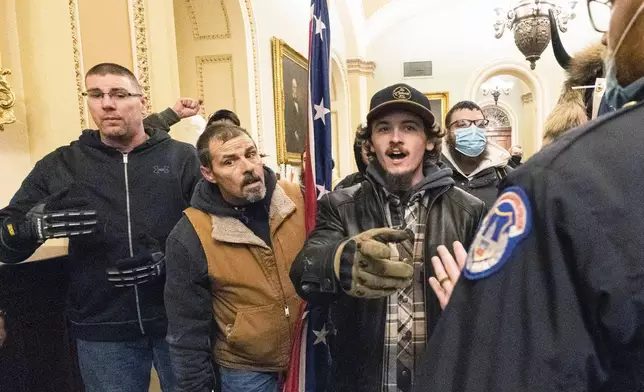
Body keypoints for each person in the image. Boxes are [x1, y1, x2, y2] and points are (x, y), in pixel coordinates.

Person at [413, 1, 644, 390]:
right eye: (461, 124)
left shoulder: (553, 182)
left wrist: (485, 315)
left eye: (612, 4)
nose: (605, 34)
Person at [0, 63, 201, 392]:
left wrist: (171, 261)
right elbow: (5, 239)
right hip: (102, 327)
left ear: (142, 101)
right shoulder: (63, 164)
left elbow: (217, 231)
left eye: (119, 94)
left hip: (178, 320)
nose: (107, 103)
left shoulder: (183, 159)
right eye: (96, 94)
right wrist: (29, 228)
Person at [290, 83, 486, 392]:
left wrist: (477, 298)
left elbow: (500, 303)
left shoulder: (469, 211)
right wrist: (337, 260)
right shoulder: (341, 206)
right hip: (365, 381)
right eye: (384, 129)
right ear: (370, 144)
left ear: (430, 142)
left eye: (409, 128)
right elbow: (303, 269)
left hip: (444, 381)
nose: (396, 138)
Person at [164, 123, 306, 392]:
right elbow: (187, 331)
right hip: (247, 370)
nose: (248, 167)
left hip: (309, 354)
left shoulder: (297, 198)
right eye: (229, 161)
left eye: (251, 154)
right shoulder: (192, 233)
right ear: (209, 173)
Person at [441, 101, 511, 208]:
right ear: (447, 131)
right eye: (462, 124)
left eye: (480, 125)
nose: (473, 131)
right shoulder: (431, 172)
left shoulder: (506, 175)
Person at [334, 124, 370, 190]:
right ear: (359, 150)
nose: (372, 151)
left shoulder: (393, 182)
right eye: (367, 147)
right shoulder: (347, 184)